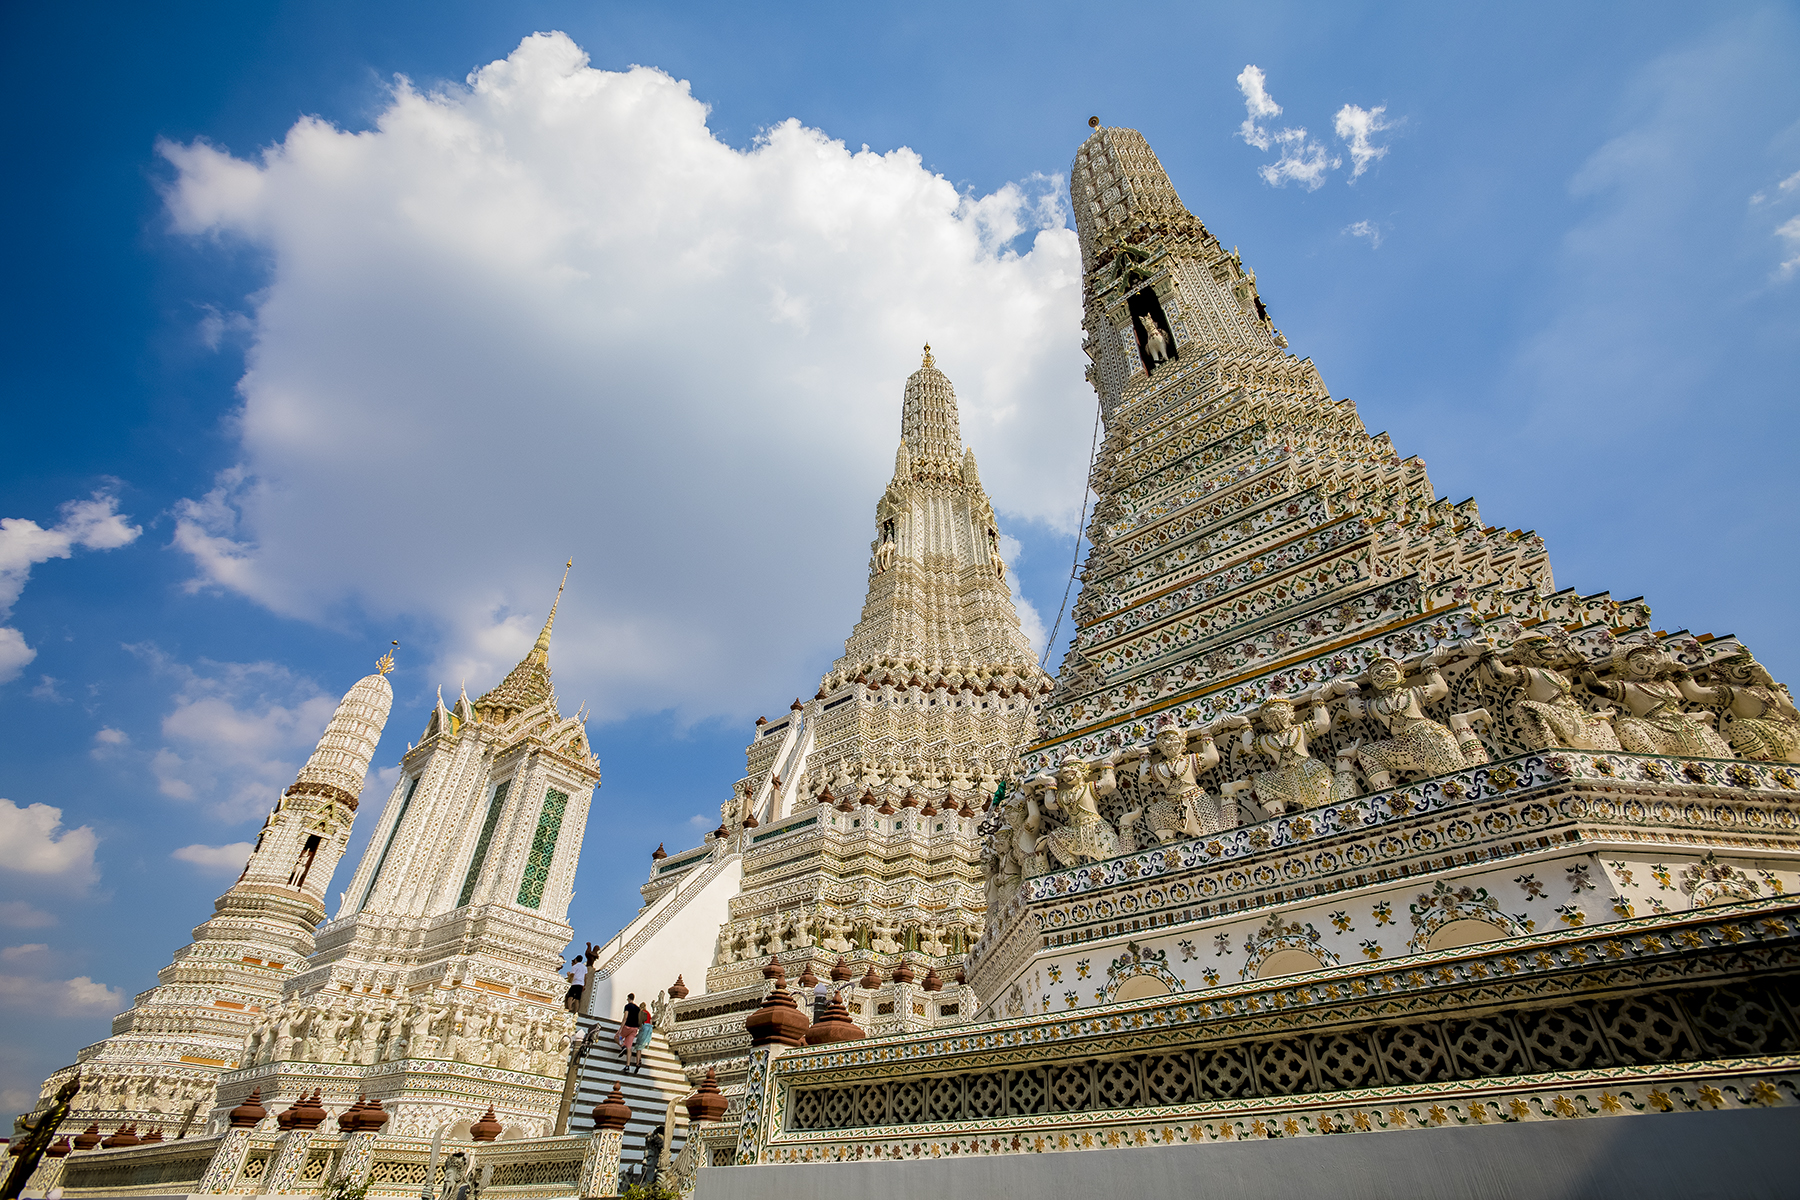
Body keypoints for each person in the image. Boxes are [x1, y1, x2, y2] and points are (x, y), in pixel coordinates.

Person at [627, 999, 654, 1073]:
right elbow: (651, 1022)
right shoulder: (648, 1013)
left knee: (638, 1047)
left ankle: (638, 1062)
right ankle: (638, 1061)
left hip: (643, 1029)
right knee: (640, 1046)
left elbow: (639, 1022)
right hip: (649, 1031)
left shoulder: (641, 1012)